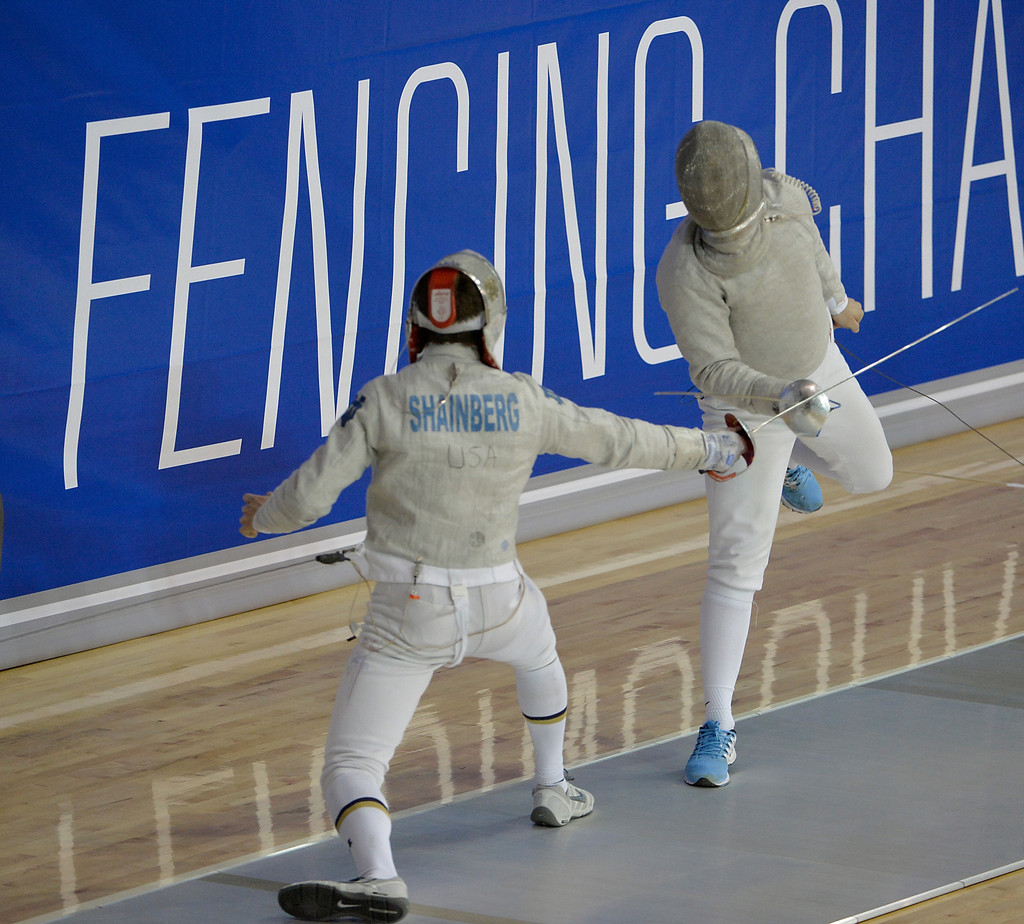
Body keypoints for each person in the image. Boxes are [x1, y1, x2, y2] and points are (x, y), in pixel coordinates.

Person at [239, 249, 755, 923]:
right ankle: (553, 785)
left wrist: (263, 517)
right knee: (540, 656)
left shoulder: (384, 399)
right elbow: (622, 440)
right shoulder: (522, 399)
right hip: (500, 602)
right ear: (490, 328)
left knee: (353, 767)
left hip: (409, 612)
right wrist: (718, 452)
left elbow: (304, 502)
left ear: (415, 328)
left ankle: (380, 874)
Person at [656, 121, 893, 788]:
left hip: (817, 372)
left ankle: (787, 468)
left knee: (874, 474)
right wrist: (779, 395)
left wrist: (838, 301)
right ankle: (719, 723)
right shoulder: (685, 273)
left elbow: (813, 254)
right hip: (746, 411)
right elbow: (714, 370)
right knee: (736, 563)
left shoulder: (785, 197)